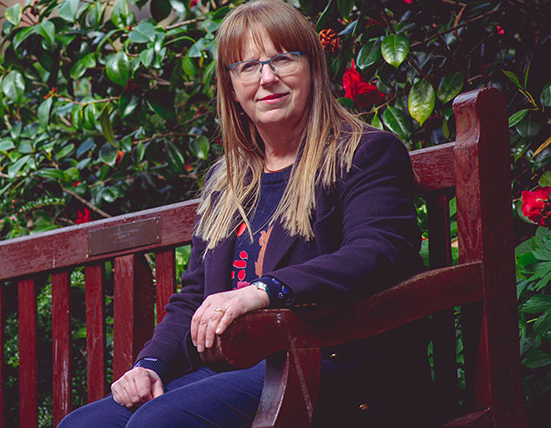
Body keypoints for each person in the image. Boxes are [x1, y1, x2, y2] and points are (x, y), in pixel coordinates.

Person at [58, 1, 431, 427]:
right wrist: (152, 365)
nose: (267, 77)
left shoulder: (362, 153)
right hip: (238, 370)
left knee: (158, 423)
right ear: (231, 87)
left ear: (312, 68)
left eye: (283, 59)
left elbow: (378, 251)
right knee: (83, 425)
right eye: (248, 66)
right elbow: (194, 296)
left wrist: (263, 290)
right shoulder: (228, 181)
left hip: (331, 363)